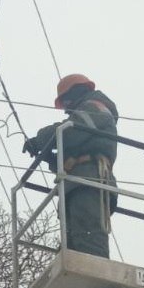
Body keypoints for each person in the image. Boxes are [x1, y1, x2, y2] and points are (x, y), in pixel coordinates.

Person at [23, 74, 118, 258]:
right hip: (77, 181)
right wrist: (51, 158)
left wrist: (42, 139)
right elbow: (73, 147)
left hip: (90, 180)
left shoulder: (96, 107)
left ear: (77, 92)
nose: (66, 107)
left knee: (89, 242)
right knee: (72, 246)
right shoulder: (88, 112)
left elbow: (71, 131)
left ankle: (95, 279)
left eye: (66, 101)